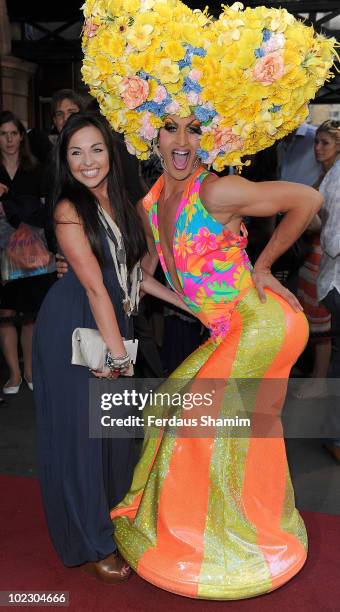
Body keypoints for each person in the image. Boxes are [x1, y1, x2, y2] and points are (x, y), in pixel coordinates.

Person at [81, 0, 335, 599]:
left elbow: (307, 199)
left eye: (195, 128)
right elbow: (149, 273)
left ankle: (225, 550)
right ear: (153, 132)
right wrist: (165, 296)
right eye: (171, 126)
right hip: (228, 327)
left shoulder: (218, 190)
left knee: (206, 427)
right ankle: (216, 528)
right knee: (170, 409)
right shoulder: (150, 202)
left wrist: (267, 267)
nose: (182, 141)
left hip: (264, 323)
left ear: (211, 136)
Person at [33, 112, 191, 583]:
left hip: (112, 323)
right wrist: (119, 357)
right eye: (75, 152)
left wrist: (192, 306)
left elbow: (135, 278)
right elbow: (95, 288)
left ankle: (116, 523)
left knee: (117, 436)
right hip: (75, 328)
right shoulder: (68, 208)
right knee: (83, 440)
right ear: (65, 160)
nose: (87, 161)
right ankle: (93, 540)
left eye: (96, 149)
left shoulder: (125, 203)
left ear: (111, 152)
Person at [0, 111, 56, 394]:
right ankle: (13, 374)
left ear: (21, 136)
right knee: (5, 311)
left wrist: (8, 203)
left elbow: (44, 211)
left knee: (30, 313)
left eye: (13, 133)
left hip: (30, 251)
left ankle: (30, 370)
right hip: (0, 249)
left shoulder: (36, 169)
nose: (9, 139)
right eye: (3, 134)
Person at [316, 120, 340, 462]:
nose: (318, 148)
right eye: (317, 142)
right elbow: (334, 242)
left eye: (325, 142)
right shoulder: (334, 178)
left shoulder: (333, 176)